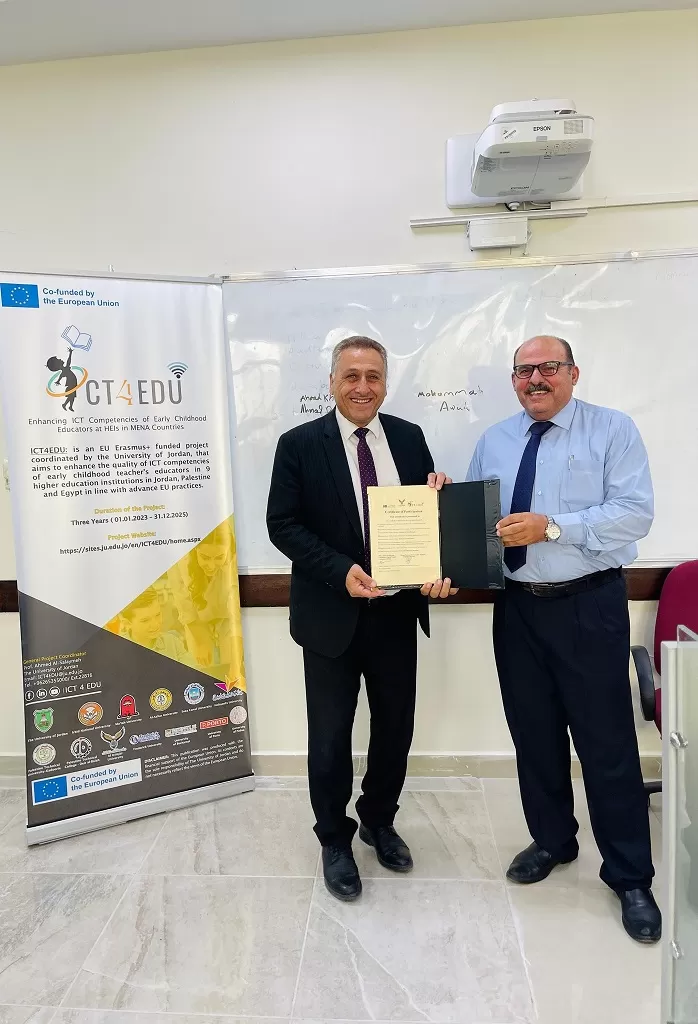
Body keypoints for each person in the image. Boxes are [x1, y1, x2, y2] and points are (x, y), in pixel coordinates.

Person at [467, 334, 660, 944]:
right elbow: (476, 524)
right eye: (524, 371)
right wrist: (442, 508)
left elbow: (635, 513)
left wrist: (551, 527)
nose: (535, 379)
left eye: (548, 367)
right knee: (534, 734)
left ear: (573, 373)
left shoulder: (612, 429)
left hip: (588, 605)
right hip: (517, 609)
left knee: (607, 743)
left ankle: (630, 875)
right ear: (513, 380)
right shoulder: (494, 440)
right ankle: (553, 840)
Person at [267, 335, 454, 901]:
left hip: (396, 614)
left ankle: (378, 820)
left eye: (373, 376)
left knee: (395, 728)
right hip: (331, 616)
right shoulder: (299, 444)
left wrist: (442, 514)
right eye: (351, 376)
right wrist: (340, 570)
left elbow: (427, 522)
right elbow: (282, 524)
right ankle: (334, 839)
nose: (362, 387)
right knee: (329, 737)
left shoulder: (409, 437)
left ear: (385, 384)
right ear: (332, 382)